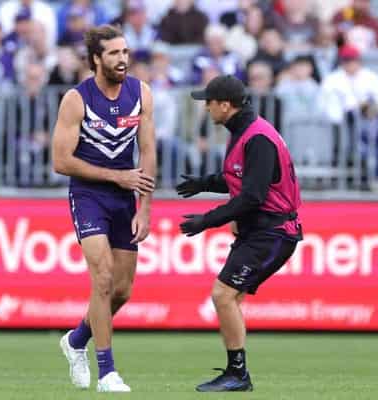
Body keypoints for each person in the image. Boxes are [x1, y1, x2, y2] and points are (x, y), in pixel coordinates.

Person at [176, 75, 303, 392]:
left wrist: (206, 221)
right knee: (229, 298)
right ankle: (236, 372)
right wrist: (205, 183)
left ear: (224, 105)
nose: (205, 108)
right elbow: (239, 180)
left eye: (208, 102)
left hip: (272, 232)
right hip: (261, 231)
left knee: (223, 295)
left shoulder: (257, 138)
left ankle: (237, 375)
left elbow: (252, 196)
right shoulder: (245, 131)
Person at [52, 24, 156, 392]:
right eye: (114, 53)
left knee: (123, 290)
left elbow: (147, 151)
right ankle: (107, 371)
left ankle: (76, 339)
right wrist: (116, 177)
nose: (122, 59)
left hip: (124, 196)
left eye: (125, 52)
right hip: (88, 196)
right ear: (96, 59)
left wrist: (144, 208)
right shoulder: (76, 100)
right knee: (103, 277)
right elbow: (61, 161)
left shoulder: (141, 93)